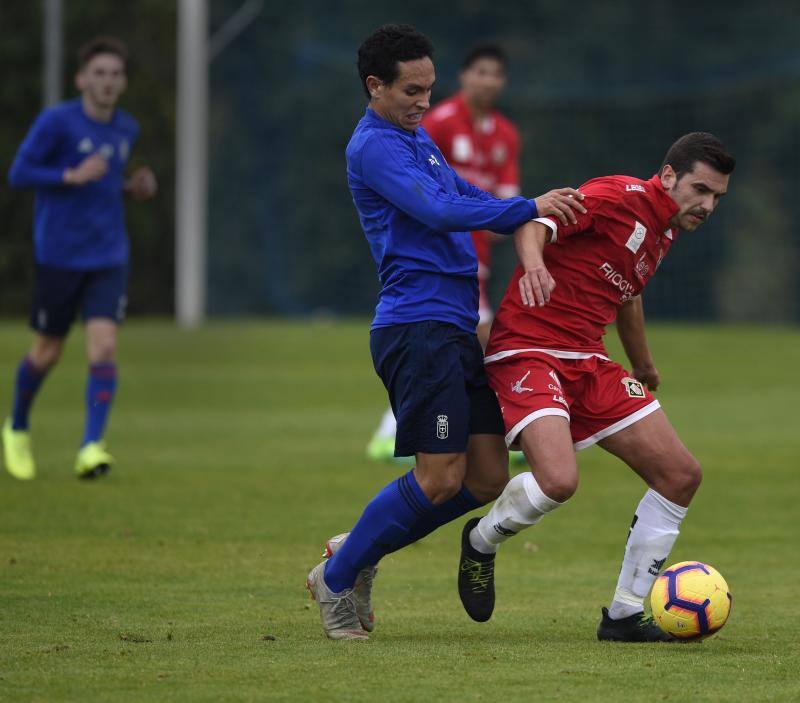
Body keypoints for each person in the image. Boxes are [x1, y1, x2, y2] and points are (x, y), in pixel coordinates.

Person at [306, 23, 585, 640]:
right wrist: (525, 207)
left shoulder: (416, 140)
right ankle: (337, 578)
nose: (424, 103)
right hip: (417, 327)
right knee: (438, 478)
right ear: (375, 86)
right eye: (411, 90)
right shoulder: (374, 147)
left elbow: (466, 195)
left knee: (485, 477)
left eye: (430, 89)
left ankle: (354, 549)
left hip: (454, 326)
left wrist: (530, 211)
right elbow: (438, 211)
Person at [455, 132, 735, 642]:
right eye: (701, 189)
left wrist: (643, 364)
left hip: (588, 359)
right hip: (529, 348)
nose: (708, 205)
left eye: (717, 196)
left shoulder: (664, 231)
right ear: (668, 175)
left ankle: (625, 615)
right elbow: (532, 225)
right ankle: (481, 539)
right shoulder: (615, 196)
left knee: (680, 475)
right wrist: (536, 266)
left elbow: (628, 295)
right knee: (559, 481)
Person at [3, 36, 157, 481]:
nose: (107, 81)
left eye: (114, 74)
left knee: (103, 346)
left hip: (109, 255)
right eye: (99, 73)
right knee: (48, 351)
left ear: (122, 82)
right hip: (59, 254)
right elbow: (19, 172)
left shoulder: (125, 128)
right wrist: (67, 174)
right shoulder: (57, 122)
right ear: (82, 79)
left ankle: (91, 446)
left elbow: (107, 184)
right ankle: (16, 427)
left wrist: (134, 189)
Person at [366, 43, 522, 463]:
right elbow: (437, 206)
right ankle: (394, 432)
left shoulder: (504, 133)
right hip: (426, 289)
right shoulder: (427, 126)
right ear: (466, 76)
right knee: (480, 341)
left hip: (469, 265)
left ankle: (493, 432)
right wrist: (512, 211)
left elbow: (486, 195)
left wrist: (521, 212)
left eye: (496, 73)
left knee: (484, 476)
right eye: (481, 72)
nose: (488, 81)